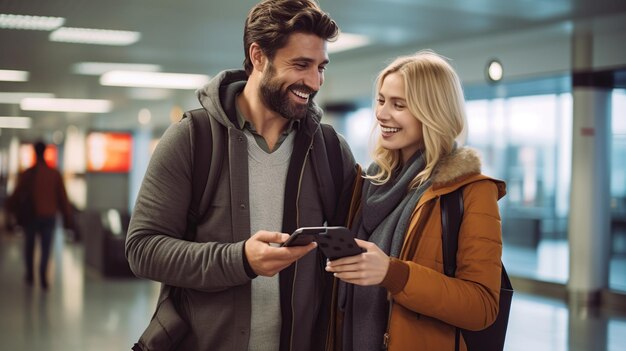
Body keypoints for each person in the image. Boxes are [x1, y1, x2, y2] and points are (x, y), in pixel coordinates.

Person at [125, 0, 357, 350]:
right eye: (301, 64)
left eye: (321, 67)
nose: (314, 81)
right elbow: (142, 249)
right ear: (259, 56)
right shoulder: (192, 139)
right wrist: (241, 260)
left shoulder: (329, 149)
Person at [326, 50, 507, 350]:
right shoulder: (370, 183)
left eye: (399, 105)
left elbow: (482, 306)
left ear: (433, 112)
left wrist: (393, 274)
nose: (382, 114)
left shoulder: (470, 191)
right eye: (382, 100)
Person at [5, 140, 74, 290]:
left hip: (32, 217)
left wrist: (8, 210)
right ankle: (43, 276)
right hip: (49, 217)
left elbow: (16, 195)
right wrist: (67, 217)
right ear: (45, 152)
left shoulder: (28, 174)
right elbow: (62, 197)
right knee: (46, 248)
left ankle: (30, 274)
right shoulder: (54, 174)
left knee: (29, 246)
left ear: (35, 153)